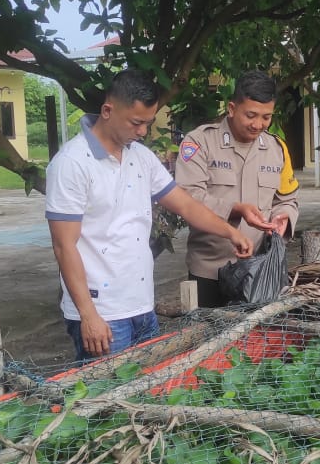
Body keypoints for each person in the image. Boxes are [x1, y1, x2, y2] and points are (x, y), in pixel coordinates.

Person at [45, 69, 253, 360]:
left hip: (142, 307)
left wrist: (230, 232)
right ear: (108, 110)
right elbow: (63, 245)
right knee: (108, 399)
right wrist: (88, 315)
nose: (142, 131)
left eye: (148, 123)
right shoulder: (72, 163)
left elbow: (186, 205)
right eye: (136, 122)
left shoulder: (140, 157)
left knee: (145, 394)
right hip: (102, 312)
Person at [175, 69, 300, 307]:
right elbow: (187, 198)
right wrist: (235, 209)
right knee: (209, 341)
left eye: (266, 117)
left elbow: (288, 198)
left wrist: (283, 218)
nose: (258, 125)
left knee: (256, 341)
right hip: (210, 270)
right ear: (232, 109)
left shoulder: (276, 148)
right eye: (251, 115)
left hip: (259, 270)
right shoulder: (200, 143)